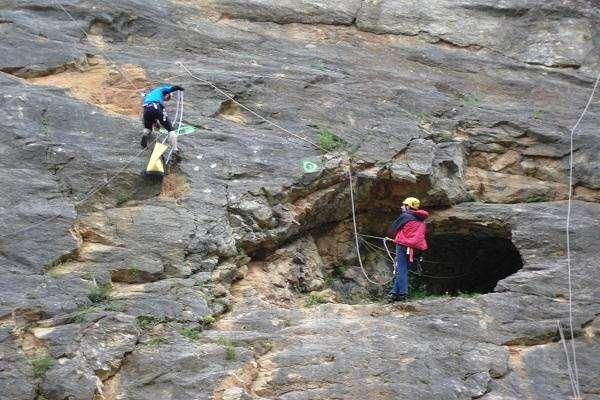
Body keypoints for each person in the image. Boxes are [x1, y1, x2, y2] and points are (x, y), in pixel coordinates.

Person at [387, 197, 429, 302]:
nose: (402, 207)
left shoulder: (405, 216)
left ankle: (402, 294)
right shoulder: (421, 220)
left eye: (403, 205)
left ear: (408, 206)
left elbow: (392, 228)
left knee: (400, 269)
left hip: (402, 246)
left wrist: (396, 235)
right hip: (413, 248)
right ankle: (393, 294)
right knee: (403, 269)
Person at [141, 84, 185, 158]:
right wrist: (178, 88)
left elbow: (151, 113)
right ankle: (175, 150)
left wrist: (155, 122)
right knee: (170, 129)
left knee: (148, 128)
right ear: (167, 94)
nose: (165, 100)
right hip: (156, 106)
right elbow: (172, 88)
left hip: (146, 109)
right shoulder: (161, 90)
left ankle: (145, 135)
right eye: (167, 98)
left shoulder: (149, 95)